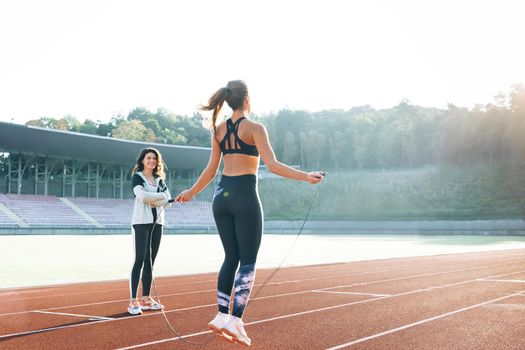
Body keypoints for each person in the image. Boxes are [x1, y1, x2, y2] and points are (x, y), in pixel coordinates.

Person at [175, 80, 324, 345]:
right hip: (244, 195)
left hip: (221, 198)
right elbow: (273, 165)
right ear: (246, 100)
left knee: (230, 257)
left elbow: (211, 171)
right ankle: (236, 320)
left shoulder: (218, 129)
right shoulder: (255, 128)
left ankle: (222, 314)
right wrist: (306, 176)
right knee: (248, 262)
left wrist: (191, 192)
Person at [128, 147, 171, 315]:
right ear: (142, 161)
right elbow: (143, 197)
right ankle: (133, 301)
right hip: (141, 222)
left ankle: (146, 298)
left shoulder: (160, 180)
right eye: (148, 158)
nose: (151, 161)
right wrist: (158, 198)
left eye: (154, 158)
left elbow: (168, 200)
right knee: (139, 259)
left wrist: (156, 199)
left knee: (151, 261)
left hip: (157, 223)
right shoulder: (137, 178)